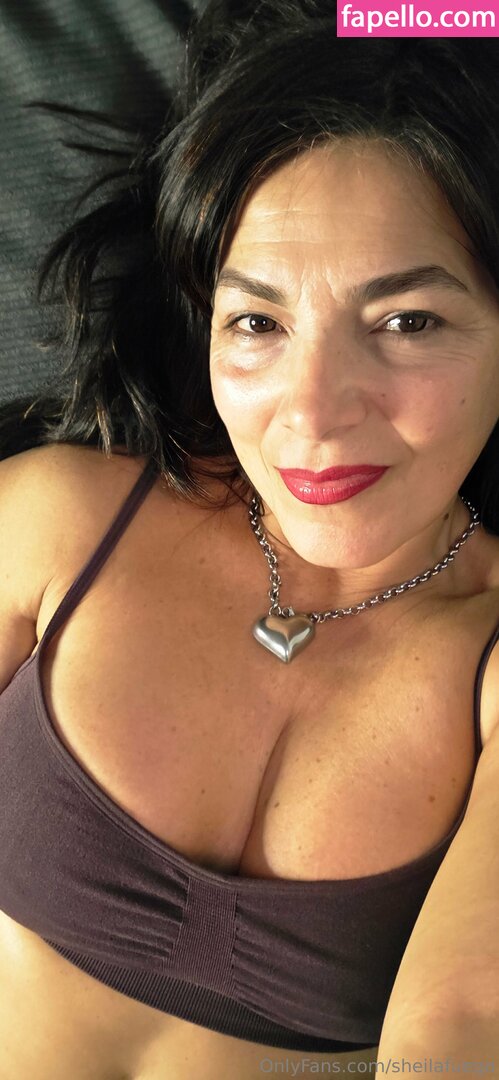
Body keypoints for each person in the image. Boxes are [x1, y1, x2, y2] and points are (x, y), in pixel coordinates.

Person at [0, 2, 499, 1076]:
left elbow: (462, 1025)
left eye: (406, 322)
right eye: (258, 323)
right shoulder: (53, 524)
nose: (310, 414)